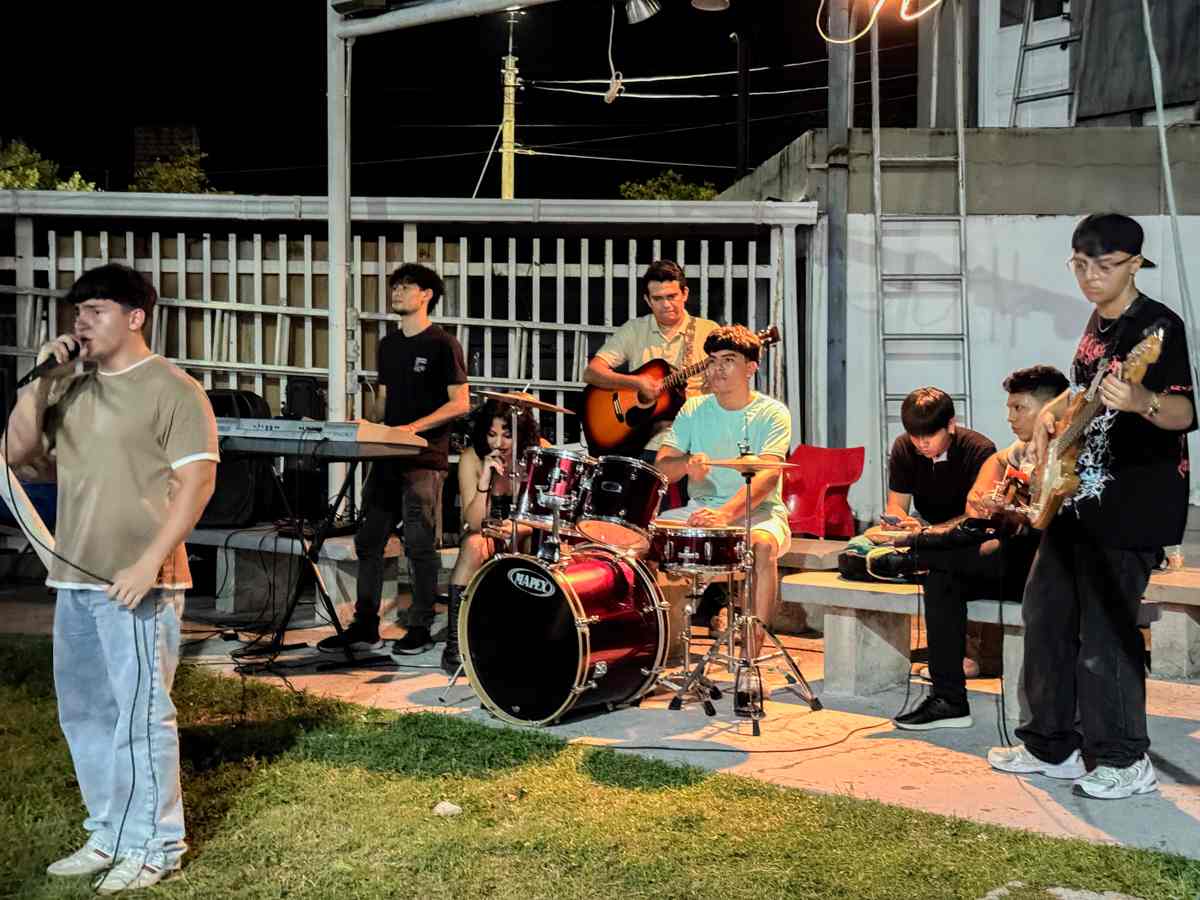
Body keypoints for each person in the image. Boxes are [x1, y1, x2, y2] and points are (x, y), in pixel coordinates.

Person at [3, 263, 218, 893]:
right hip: (73, 576)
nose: (81, 323)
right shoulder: (71, 388)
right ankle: (111, 832)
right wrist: (41, 380)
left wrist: (150, 561)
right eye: (77, 313)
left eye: (95, 311)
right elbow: (15, 452)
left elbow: (198, 483)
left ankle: (158, 844)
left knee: (141, 716)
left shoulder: (174, 389)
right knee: (86, 713)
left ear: (135, 317)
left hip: (139, 581)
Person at [988, 214, 1194, 799]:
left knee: (1107, 635)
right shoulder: (1097, 325)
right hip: (1076, 499)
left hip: (1131, 503)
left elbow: (1184, 412)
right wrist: (1052, 416)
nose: (1090, 277)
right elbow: (1084, 392)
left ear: (1135, 264)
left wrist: (1142, 399)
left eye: (1104, 266)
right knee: (1046, 617)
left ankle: (1126, 759)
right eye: (1080, 265)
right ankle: (1053, 746)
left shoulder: (1158, 327)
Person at [891, 365, 1069, 731]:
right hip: (1015, 559)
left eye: (1019, 408)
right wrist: (984, 493)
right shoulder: (1025, 448)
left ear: (1052, 409)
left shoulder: (1070, 450)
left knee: (954, 554)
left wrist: (1010, 513)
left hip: (1052, 566)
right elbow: (1000, 460)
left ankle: (911, 555)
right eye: (1009, 408)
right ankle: (949, 700)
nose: (1010, 417)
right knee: (941, 577)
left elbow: (1044, 520)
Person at [317, 263, 469, 658]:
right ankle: (365, 625)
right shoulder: (388, 345)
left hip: (423, 456)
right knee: (369, 540)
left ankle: (419, 625)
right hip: (386, 455)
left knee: (419, 544)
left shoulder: (443, 344)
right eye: (395, 286)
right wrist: (369, 423)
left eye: (406, 286)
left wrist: (414, 427)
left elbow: (460, 402)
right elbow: (384, 403)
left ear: (426, 295)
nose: (397, 292)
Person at [655, 325, 792, 657]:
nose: (717, 368)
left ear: (751, 367)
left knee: (761, 546)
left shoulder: (773, 413)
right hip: (699, 510)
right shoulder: (693, 409)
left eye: (728, 360)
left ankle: (751, 656)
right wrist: (686, 464)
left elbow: (767, 476)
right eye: (712, 360)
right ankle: (659, 647)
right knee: (645, 540)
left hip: (759, 514)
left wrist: (726, 515)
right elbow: (662, 467)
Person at [585, 259, 718, 506]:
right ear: (647, 300)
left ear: (685, 294)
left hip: (691, 447)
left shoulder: (708, 332)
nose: (666, 304)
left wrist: (716, 380)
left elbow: (725, 384)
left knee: (691, 519)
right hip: (642, 443)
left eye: (672, 296)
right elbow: (592, 372)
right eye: (658, 298)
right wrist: (637, 383)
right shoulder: (635, 329)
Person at [441, 399, 543, 675]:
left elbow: (546, 517)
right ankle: (455, 646)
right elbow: (473, 522)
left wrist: (519, 528)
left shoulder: (537, 452)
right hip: (487, 531)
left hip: (527, 531)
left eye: (507, 435)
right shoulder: (472, 457)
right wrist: (484, 480)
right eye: (492, 434)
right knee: (474, 545)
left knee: (539, 546)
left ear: (521, 433)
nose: (499, 443)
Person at [884, 387, 997, 531]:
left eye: (930, 435)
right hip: (924, 520)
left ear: (950, 425)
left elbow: (976, 515)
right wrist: (896, 521)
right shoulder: (904, 446)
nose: (921, 444)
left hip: (968, 526)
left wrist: (929, 532)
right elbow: (897, 504)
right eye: (914, 435)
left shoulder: (980, 450)